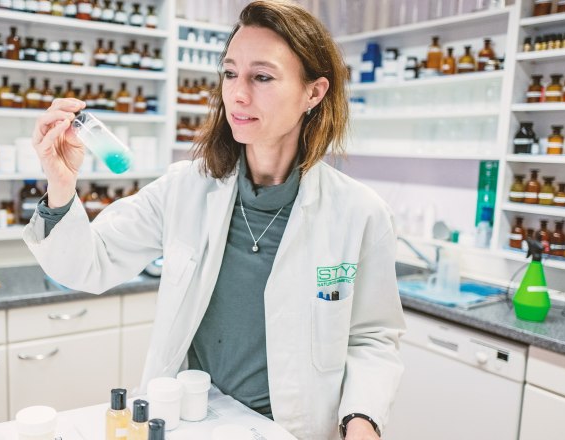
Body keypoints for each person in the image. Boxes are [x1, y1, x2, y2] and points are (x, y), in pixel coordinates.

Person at [24, 1, 405, 438]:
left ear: (313, 93)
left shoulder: (359, 213)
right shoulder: (185, 188)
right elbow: (86, 265)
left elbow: (373, 337)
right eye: (229, 73)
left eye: (261, 77)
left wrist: (362, 420)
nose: (237, 94)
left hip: (290, 430)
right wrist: (60, 182)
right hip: (191, 423)